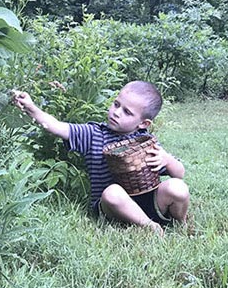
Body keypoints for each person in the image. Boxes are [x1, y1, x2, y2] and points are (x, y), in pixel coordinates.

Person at [11, 82, 190, 236]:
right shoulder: (94, 134)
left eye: (127, 112)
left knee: (178, 188)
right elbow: (57, 127)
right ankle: (150, 227)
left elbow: (179, 174)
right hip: (112, 207)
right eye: (116, 104)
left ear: (143, 123)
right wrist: (31, 107)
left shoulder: (146, 142)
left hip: (148, 201)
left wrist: (166, 159)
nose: (116, 112)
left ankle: (180, 222)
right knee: (112, 192)